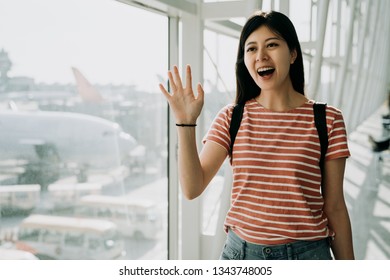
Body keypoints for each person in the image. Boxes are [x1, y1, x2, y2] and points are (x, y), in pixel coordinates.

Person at [159, 10, 354, 260]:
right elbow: (192, 187)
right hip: (240, 257)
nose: (261, 55)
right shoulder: (232, 117)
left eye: (272, 45)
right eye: (251, 49)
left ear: (293, 53)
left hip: (307, 256)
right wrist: (185, 123)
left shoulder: (327, 119)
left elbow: (335, 206)